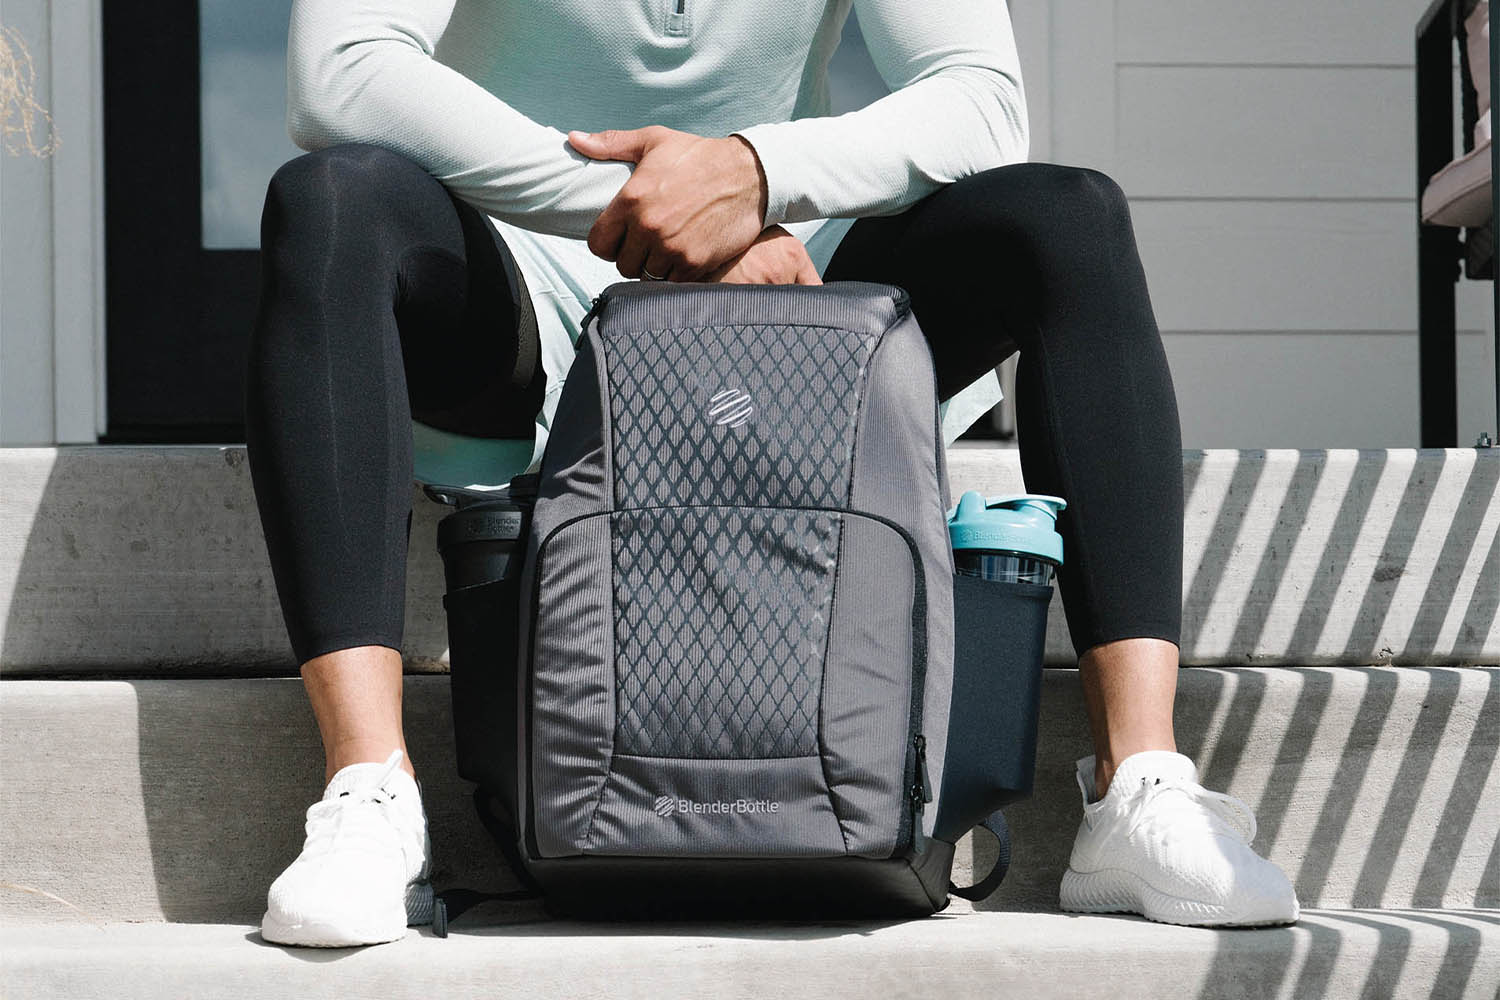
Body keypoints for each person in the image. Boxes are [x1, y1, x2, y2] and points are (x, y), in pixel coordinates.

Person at [247, 0, 1299, 948]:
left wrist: (751, 177)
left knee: (1067, 214)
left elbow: (982, 102)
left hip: (796, 265)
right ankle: (369, 788)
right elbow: (342, 70)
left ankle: (1139, 785)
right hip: (519, 273)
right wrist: (656, 209)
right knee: (332, 199)